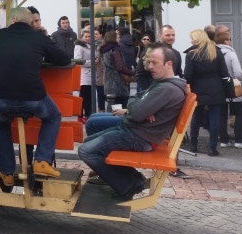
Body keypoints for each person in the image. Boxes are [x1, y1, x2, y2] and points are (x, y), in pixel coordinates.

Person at [78, 44, 187, 200]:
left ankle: (127, 185)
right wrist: (140, 107)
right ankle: (127, 178)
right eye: (149, 62)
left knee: (86, 150)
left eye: (154, 62)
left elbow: (136, 112)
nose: (150, 67)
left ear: (169, 64)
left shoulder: (167, 89)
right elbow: (137, 99)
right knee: (90, 136)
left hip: (140, 136)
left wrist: (138, 108)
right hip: (137, 130)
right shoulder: (163, 83)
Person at [0, 6, 71, 184]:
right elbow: (64, 59)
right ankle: (42, 161)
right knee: (53, 116)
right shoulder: (38, 37)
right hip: (32, 99)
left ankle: (7, 173)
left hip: (0, 99)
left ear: (13, 20)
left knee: (0, 124)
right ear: (30, 22)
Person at [185, 29, 229, 156]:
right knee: (215, 118)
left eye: (192, 38)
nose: (191, 40)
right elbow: (224, 73)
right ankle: (212, 147)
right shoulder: (216, 51)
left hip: (198, 88)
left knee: (196, 117)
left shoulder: (191, 54)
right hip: (216, 87)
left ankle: (193, 145)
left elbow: (188, 75)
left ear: (196, 39)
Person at [215, 31, 242, 149]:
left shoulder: (213, 53)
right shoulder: (231, 53)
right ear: (226, 41)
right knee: (238, 113)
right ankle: (239, 140)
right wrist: (240, 78)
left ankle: (224, 140)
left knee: (222, 115)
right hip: (232, 87)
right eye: (229, 39)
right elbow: (238, 72)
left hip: (219, 88)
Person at [100, 30, 133, 108]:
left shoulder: (104, 50)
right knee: (121, 108)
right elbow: (120, 67)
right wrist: (132, 73)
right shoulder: (115, 49)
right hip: (118, 83)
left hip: (108, 82)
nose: (119, 39)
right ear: (113, 39)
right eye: (118, 37)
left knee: (112, 107)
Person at [74, 29, 94, 122]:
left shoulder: (90, 45)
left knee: (89, 96)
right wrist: (92, 62)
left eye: (89, 36)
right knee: (83, 96)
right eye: (86, 36)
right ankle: (80, 115)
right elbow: (78, 60)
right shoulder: (79, 46)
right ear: (82, 37)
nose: (88, 38)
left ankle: (88, 114)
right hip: (84, 73)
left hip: (91, 73)